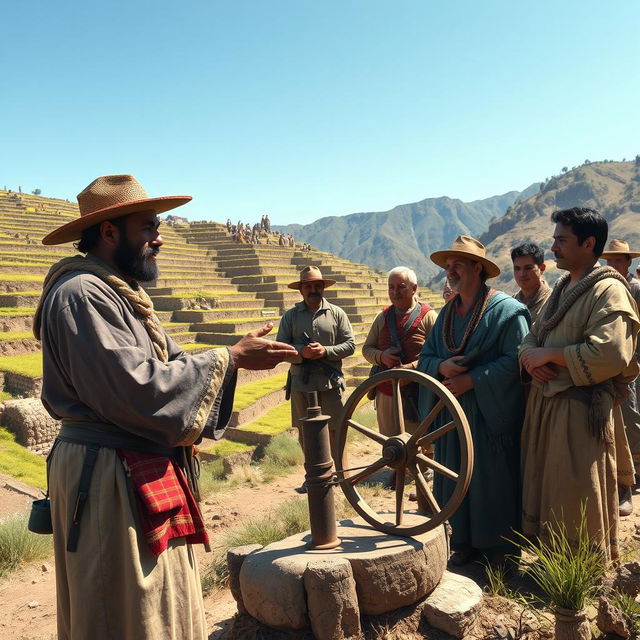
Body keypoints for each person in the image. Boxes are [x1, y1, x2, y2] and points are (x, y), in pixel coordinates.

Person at [34, 174, 297, 640]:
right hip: (106, 478)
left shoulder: (120, 296)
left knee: (154, 602)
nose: (159, 238)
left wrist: (232, 361)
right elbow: (135, 389)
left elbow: (172, 362)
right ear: (110, 232)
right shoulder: (81, 296)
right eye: (148, 228)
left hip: (130, 468)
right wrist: (230, 358)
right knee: (123, 606)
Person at [520, 208, 639, 561]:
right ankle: (552, 565)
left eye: (561, 240)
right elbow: (532, 337)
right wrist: (531, 358)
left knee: (575, 491)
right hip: (548, 406)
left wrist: (550, 356)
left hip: (580, 413)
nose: (553, 247)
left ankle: (578, 575)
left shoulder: (608, 291)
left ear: (588, 244)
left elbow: (611, 352)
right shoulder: (561, 287)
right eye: (554, 239)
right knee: (551, 489)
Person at [417, 235, 530, 567]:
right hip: (451, 416)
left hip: (487, 415)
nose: (450, 270)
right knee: (453, 474)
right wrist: (439, 365)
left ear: (478, 268)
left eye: (458, 264)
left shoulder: (508, 312)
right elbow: (425, 357)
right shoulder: (446, 314)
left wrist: (472, 380)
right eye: (448, 265)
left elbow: (516, 359)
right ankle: (461, 541)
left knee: (490, 478)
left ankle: (499, 550)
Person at [276, 266, 355, 489]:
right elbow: (281, 348)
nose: (313, 290)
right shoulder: (290, 316)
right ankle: (314, 478)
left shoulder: (338, 314)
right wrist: (302, 352)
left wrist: (325, 351)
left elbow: (350, 345)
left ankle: (341, 475)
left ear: (323, 288)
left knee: (336, 430)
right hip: (302, 385)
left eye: (317, 286)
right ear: (301, 289)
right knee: (306, 433)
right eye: (308, 286)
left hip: (331, 383)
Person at [362, 266, 437, 436]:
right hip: (386, 394)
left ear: (414, 289)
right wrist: (382, 357)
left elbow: (439, 354)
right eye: (391, 287)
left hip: (419, 394)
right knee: (391, 447)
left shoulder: (429, 316)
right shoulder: (382, 317)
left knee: (422, 448)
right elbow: (367, 349)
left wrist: (411, 368)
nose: (395, 292)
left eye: (401, 286)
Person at [600, 238, 640, 515]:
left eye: (618, 260)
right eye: (609, 260)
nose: (613, 264)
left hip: (633, 361)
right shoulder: (603, 288)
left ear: (628, 263)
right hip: (612, 363)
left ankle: (632, 474)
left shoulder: (635, 288)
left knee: (631, 416)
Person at [511, 242, 551, 322]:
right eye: (517, 268)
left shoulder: (552, 301)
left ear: (542, 268)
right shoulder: (511, 303)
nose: (522, 274)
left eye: (528, 268)